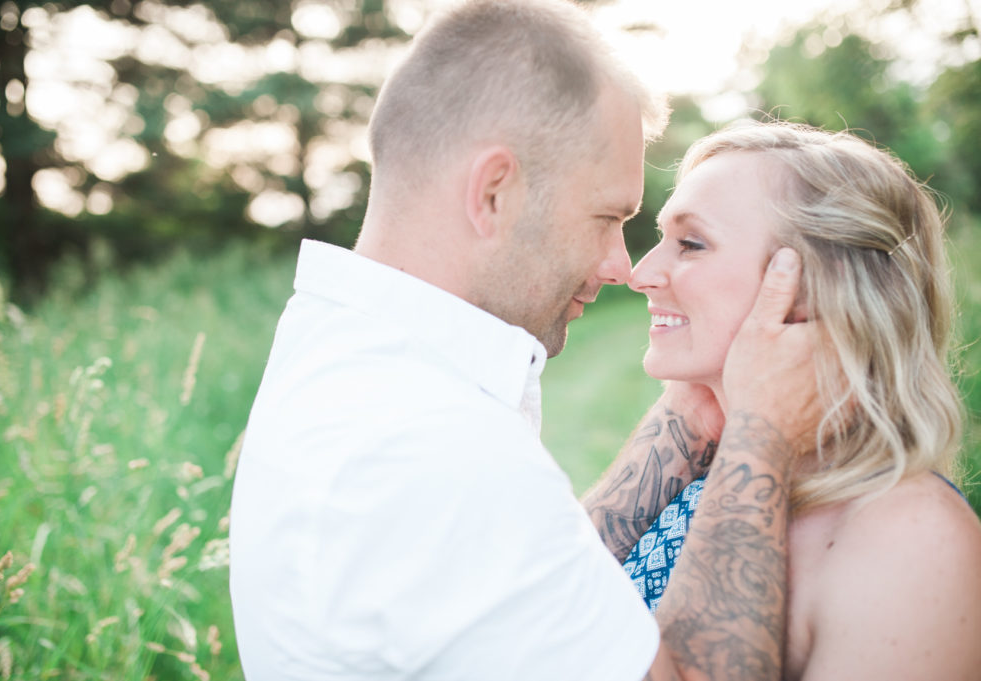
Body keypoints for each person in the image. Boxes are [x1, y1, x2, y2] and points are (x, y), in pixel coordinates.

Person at [229, 2, 820, 679]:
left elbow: (546, 589)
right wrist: (761, 432)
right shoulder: (440, 451)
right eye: (607, 218)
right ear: (494, 193)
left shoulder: (347, 354)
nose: (622, 267)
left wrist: (685, 420)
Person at [585, 120, 981, 680]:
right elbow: (539, 618)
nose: (642, 273)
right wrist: (697, 418)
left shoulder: (911, 540)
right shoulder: (707, 473)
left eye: (690, 244)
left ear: (809, 287)